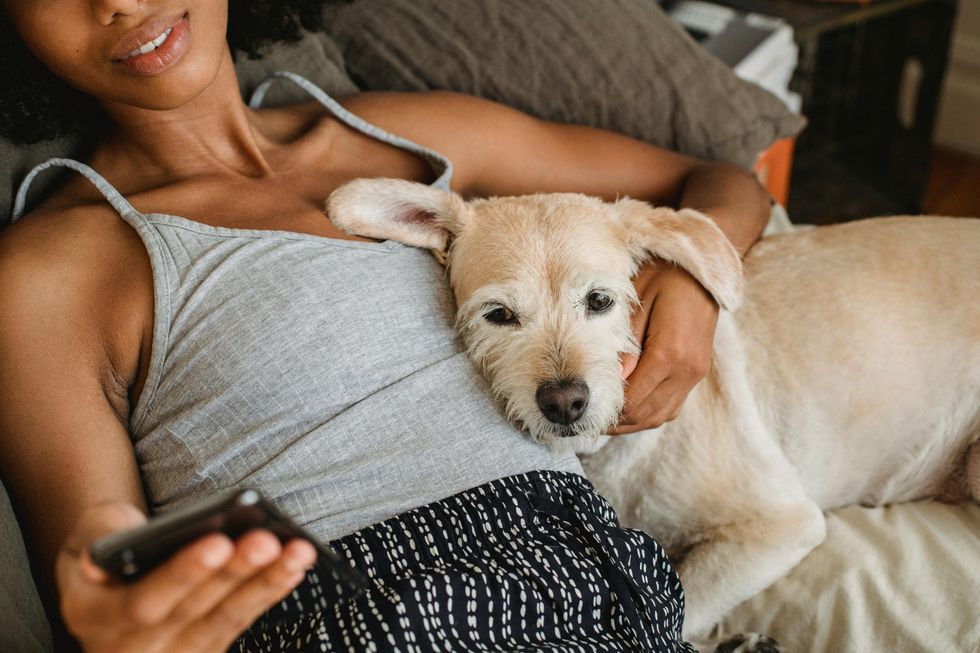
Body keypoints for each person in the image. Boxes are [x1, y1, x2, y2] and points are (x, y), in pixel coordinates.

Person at [0, 1, 772, 651]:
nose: (120, 3)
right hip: (369, 611)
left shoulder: (408, 137)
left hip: (606, 584)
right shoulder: (51, 273)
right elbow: (98, 566)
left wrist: (691, 290)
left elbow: (719, 182)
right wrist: (109, 606)